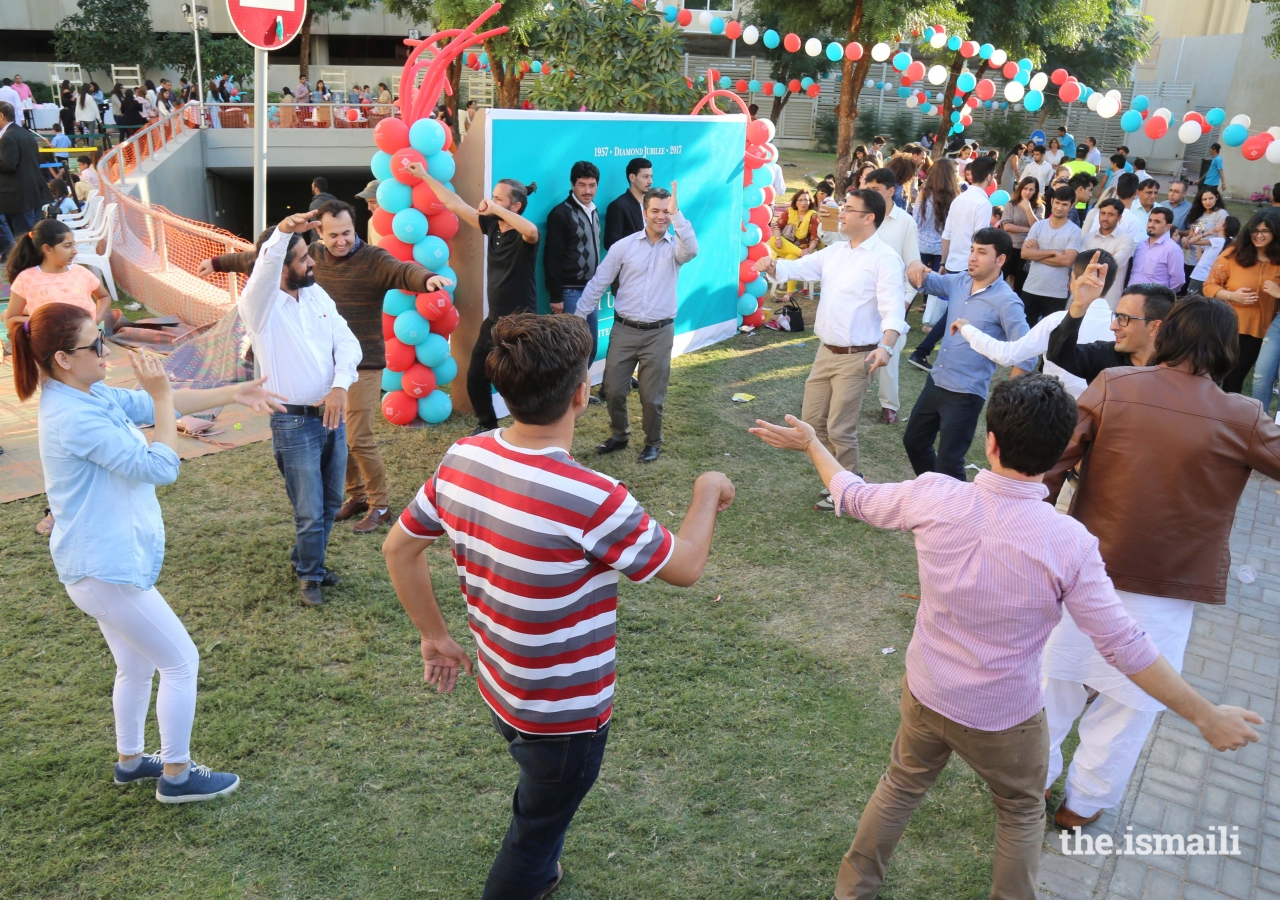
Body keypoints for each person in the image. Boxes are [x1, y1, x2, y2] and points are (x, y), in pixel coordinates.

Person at [750, 373, 1260, 900]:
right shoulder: (1069, 543)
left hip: (926, 689)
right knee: (1019, 812)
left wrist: (813, 442)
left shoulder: (935, 496)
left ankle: (851, 892)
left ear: (989, 442)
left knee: (900, 787)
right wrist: (1204, 714)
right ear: (1064, 449)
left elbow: (851, 495)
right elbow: (1125, 646)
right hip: (1005, 717)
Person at [383, 312, 733, 900]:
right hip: (566, 717)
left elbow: (400, 549)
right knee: (537, 828)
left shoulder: (461, 458)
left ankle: (542, 862)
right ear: (581, 392)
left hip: (502, 686)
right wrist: (707, 488)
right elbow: (686, 566)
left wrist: (435, 636)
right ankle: (532, 870)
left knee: (539, 793)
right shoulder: (594, 498)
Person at [11, 304, 284, 802]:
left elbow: (155, 403)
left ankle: (131, 761)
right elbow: (160, 466)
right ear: (62, 359)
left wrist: (235, 393)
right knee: (181, 662)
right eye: (94, 343)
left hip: (103, 566)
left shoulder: (86, 394)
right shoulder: (71, 418)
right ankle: (177, 776)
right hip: (103, 570)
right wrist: (161, 398)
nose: (104, 349)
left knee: (135, 667)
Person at [1042, 296, 1270, 829]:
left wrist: (1031, 528)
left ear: (1166, 335)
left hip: (1089, 566)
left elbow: (1056, 461)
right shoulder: (1244, 416)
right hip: (1172, 584)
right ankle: (1083, 805)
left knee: (1054, 680)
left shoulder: (1115, 384)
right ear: (1227, 350)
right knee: (1131, 705)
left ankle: (1032, 783)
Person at [201, 198, 452, 534]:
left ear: (355, 229)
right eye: (333, 235)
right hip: (324, 366)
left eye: (347, 233)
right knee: (336, 434)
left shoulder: (372, 259)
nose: (341, 240)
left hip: (362, 361)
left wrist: (427, 279)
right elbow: (256, 259)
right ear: (320, 232)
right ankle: (356, 495)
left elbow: (403, 270)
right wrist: (217, 262)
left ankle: (380, 505)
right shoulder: (310, 256)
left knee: (358, 437)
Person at [236, 212, 362, 607]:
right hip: (292, 423)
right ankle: (310, 576)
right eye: (304, 257)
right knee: (308, 510)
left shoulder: (316, 295)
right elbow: (265, 268)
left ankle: (308, 562)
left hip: (332, 415)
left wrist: (341, 385)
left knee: (327, 504)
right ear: (282, 264)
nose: (312, 263)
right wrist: (283, 232)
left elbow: (347, 342)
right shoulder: (260, 306)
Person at [754, 188, 904, 506]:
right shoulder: (835, 252)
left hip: (858, 356)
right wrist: (772, 265)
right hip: (826, 353)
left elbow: (894, 310)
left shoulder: (885, 258)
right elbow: (798, 268)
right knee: (811, 422)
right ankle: (842, 479)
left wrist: (886, 347)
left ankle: (847, 492)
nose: (841, 213)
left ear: (868, 218)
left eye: (848, 209)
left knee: (839, 428)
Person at [415, 163, 540, 433]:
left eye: (498, 198)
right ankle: (487, 425)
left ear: (515, 206)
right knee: (475, 376)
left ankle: (530, 428)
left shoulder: (524, 235)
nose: (491, 201)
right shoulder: (492, 226)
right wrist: (424, 176)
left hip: (523, 322)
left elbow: (531, 231)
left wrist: (494, 209)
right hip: (495, 319)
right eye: (493, 197)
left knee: (522, 381)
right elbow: (454, 203)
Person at [574, 184, 695, 463]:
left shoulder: (677, 249)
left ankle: (653, 442)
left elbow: (693, 248)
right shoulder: (623, 247)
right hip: (624, 330)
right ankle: (620, 434)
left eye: (667, 211)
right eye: (656, 210)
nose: (661, 216)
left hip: (659, 333)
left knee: (652, 398)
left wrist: (679, 217)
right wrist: (579, 318)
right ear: (644, 212)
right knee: (613, 391)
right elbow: (598, 283)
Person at [903, 228, 1035, 480]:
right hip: (936, 381)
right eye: (973, 249)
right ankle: (936, 493)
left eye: (982, 252)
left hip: (966, 393)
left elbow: (1026, 353)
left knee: (949, 462)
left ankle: (956, 512)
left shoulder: (1008, 302)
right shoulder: (959, 281)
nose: (972, 257)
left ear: (1000, 260)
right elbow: (924, 281)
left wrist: (1009, 397)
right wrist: (916, 266)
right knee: (914, 441)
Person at [952, 249, 1120, 399]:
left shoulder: (1056, 321)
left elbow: (1006, 354)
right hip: (1100, 414)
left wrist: (966, 328)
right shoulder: (1120, 326)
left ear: (1073, 281)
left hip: (1059, 412)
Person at [1046, 266, 1175, 386]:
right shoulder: (1105, 356)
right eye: (1117, 316)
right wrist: (1079, 305)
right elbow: (1058, 354)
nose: (1113, 326)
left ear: (1154, 327)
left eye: (1124, 318)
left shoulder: (1178, 372)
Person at [863, 168, 921, 426]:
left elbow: (913, 267)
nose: (869, 193)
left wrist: (905, 302)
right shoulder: (860, 217)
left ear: (891, 191)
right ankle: (849, 399)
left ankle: (889, 406)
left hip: (892, 305)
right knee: (854, 356)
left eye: (875, 189)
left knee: (889, 355)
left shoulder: (905, 222)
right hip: (860, 301)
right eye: (867, 187)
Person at [1203, 209, 1280, 394]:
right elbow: (1208, 287)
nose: (1258, 236)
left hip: (1256, 332)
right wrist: (1232, 296)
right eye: (1255, 231)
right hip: (1225, 326)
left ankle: (1227, 419)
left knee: (1234, 380)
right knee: (1210, 377)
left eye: (1265, 231)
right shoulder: (1233, 254)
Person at [544, 160, 603, 369]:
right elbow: (552, 257)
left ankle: (581, 394)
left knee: (591, 346)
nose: (587, 191)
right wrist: (556, 296)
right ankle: (570, 399)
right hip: (570, 292)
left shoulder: (594, 211)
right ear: (572, 184)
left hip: (591, 290)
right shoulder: (561, 213)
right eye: (582, 185)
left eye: (592, 185)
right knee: (572, 348)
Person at [1018, 186, 1083, 326]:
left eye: (1064, 204)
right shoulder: (1038, 226)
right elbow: (1025, 253)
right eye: (1057, 202)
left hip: (1056, 293)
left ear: (1071, 206)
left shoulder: (1075, 231)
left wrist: (1037, 254)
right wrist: (1052, 252)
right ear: (1052, 201)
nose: (1060, 207)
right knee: (1024, 331)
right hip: (1031, 288)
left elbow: (1067, 260)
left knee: (1050, 335)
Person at [0, 100, 52, 259]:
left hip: (19, 196)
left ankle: (31, 270)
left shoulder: (9, 137)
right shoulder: (25, 134)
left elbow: (8, 164)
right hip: (33, 192)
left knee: (25, 238)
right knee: (32, 236)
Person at [941, 155, 996, 274]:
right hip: (968, 267)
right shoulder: (983, 203)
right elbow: (980, 239)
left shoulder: (958, 199)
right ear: (989, 176)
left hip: (951, 264)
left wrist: (943, 263)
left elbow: (947, 234)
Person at [1080, 198, 1136, 309]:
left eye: (1110, 215)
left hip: (1108, 300)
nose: (1105, 218)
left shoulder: (1126, 239)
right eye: (1103, 213)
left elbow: (1112, 266)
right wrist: (1109, 256)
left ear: (1119, 218)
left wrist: (1091, 262)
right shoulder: (1088, 237)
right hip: (1085, 296)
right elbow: (1080, 264)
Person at [1126, 206, 1185, 295]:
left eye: (1157, 222)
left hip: (1154, 303)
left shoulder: (1173, 249)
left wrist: (1162, 297)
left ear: (1168, 226)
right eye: (1150, 220)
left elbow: (1178, 280)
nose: (1151, 225)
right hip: (1130, 297)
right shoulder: (1141, 244)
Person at [999, 176, 1044, 293]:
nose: (1027, 192)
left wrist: (1028, 209)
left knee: (1020, 284)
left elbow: (1038, 228)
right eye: (1025, 189)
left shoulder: (1039, 207)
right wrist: (1028, 229)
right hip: (1010, 247)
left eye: (1031, 189)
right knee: (1000, 280)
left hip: (1026, 250)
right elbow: (1007, 226)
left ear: (1035, 191)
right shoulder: (1011, 204)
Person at [1180, 185, 1228, 291]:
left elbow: (1222, 238)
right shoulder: (1199, 213)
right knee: (1186, 291)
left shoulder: (1221, 214)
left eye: (1210, 198)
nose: (1207, 202)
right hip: (1190, 257)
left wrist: (1199, 241)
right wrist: (1185, 238)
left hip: (1205, 259)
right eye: (1204, 199)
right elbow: (1193, 233)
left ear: (1217, 197)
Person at [1084, 172, 1146, 245]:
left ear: (1116, 191)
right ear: (1136, 193)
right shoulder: (1134, 220)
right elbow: (1131, 249)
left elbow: (1089, 239)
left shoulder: (1101, 214)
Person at [603, 156, 651, 250]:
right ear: (632, 177)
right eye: (645, 177)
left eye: (651, 176)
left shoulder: (651, 203)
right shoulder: (618, 206)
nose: (650, 181)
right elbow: (611, 243)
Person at [1186, 215, 1237, 296]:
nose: (1218, 223)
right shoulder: (1221, 242)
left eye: (1221, 222)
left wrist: (1207, 233)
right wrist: (1199, 239)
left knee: (1190, 302)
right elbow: (1200, 260)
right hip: (1205, 277)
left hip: (1200, 277)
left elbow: (1191, 241)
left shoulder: (1217, 241)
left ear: (1224, 227)